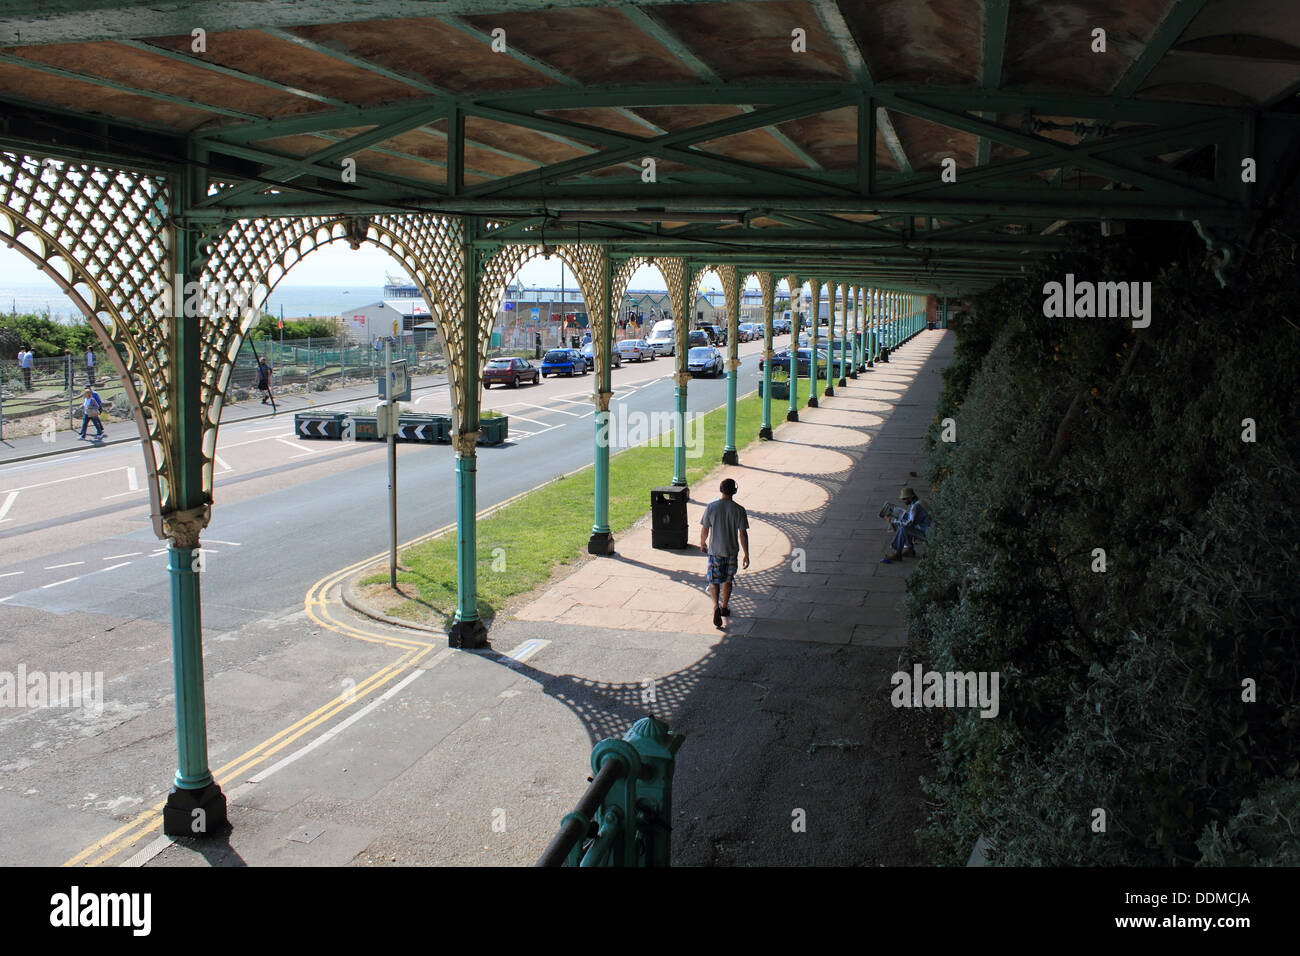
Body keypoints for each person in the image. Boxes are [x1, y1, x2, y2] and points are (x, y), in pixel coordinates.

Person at [699, 477, 750, 628]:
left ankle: (715, 605)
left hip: (715, 550)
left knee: (714, 580)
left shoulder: (711, 507)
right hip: (731, 551)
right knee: (728, 579)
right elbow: (742, 534)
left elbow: (705, 529)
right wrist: (747, 554)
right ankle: (724, 607)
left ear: (721, 489)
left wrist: (702, 543)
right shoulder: (739, 510)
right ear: (735, 491)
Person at [883, 486, 931, 562]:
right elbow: (912, 518)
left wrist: (893, 522)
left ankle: (897, 553)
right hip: (926, 529)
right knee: (904, 522)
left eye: (904, 499)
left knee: (903, 528)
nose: (903, 501)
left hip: (928, 533)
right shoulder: (918, 502)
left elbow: (909, 524)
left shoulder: (916, 507)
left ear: (911, 497)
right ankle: (909, 549)